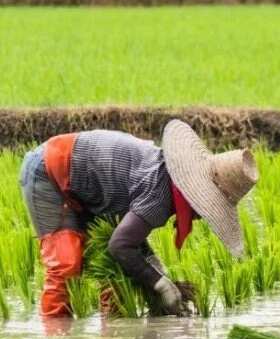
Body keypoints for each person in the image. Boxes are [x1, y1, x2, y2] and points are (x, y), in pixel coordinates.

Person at [19, 119, 258, 317]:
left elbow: (130, 236)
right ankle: (55, 336)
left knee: (115, 278)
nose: (203, 216)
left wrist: (155, 266)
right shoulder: (161, 194)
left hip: (91, 188)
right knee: (66, 264)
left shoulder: (167, 183)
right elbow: (120, 245)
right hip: (49, 170)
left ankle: (113, 338)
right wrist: (161, 285)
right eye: (207, 207)